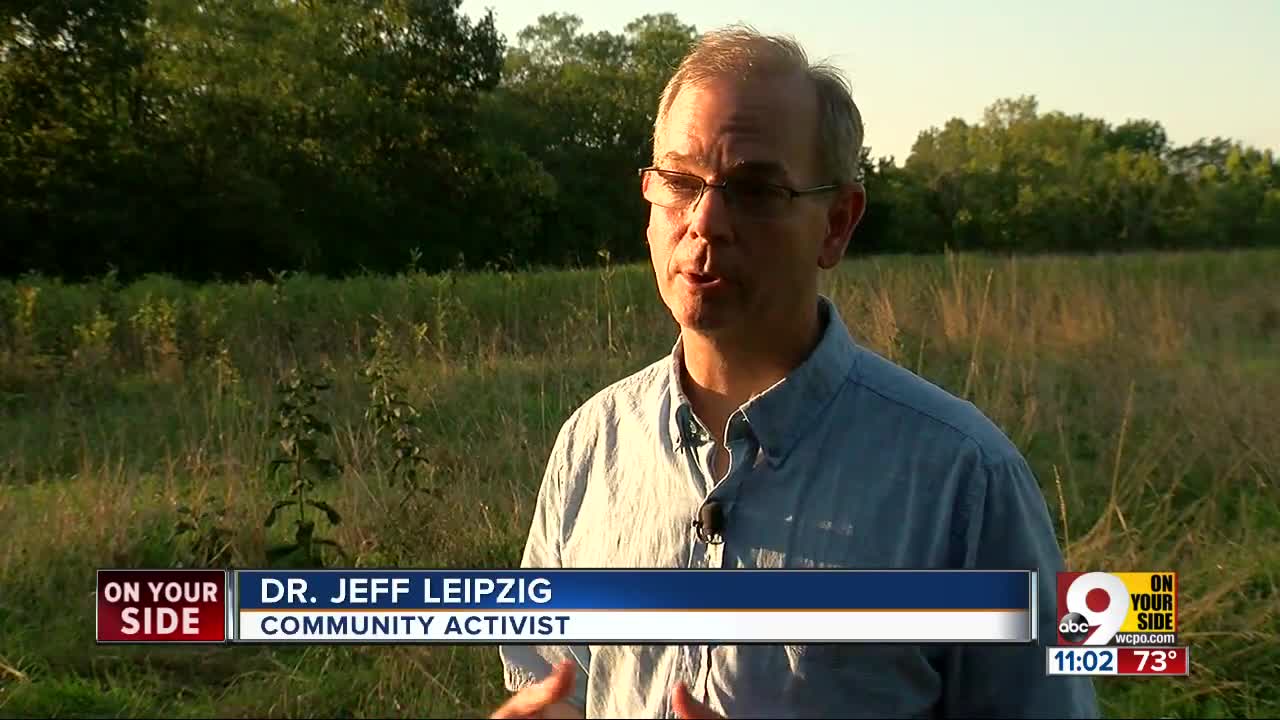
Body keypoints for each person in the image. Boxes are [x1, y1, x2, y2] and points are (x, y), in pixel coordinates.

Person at [491, 24, 1100, 720]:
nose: (707, 220)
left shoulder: (963, 481)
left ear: (837, 223)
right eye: (681, 181)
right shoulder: (590, 446)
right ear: (649, 197)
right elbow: (550, 679)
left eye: (754, 191)